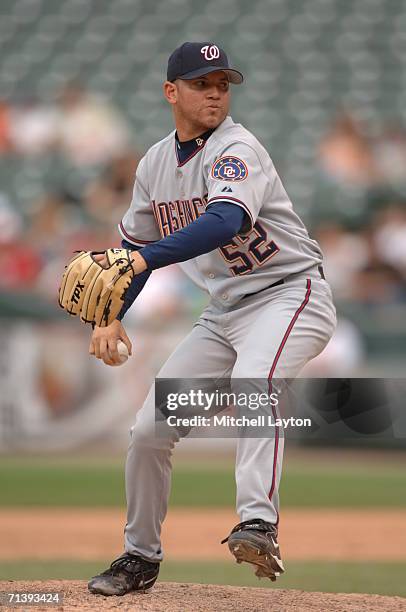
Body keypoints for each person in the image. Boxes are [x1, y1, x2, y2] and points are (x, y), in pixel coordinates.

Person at [87, 42, 337, 596]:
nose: (216, 91)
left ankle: (257, 522)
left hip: (288, 296)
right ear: (170, 92)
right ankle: (138, 558)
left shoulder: (235, 148)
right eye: (202, 82)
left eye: (223, 82)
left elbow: (224, 220)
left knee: (258, 383)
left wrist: (145, 258)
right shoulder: (154, 164)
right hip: (223, 313)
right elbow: (134, 247)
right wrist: (109, 316)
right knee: (149, 433)